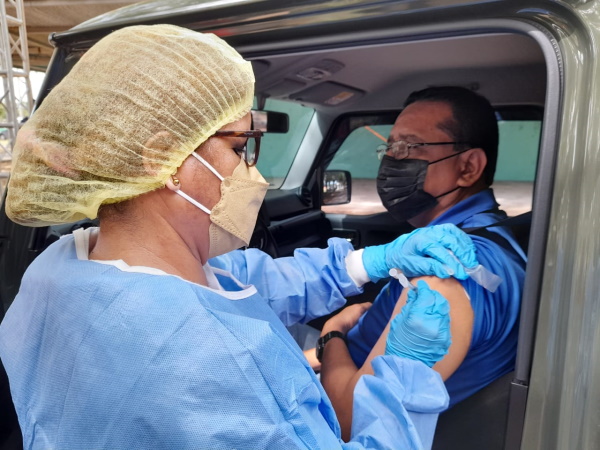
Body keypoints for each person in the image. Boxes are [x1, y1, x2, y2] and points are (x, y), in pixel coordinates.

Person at [0, 26, 479, 449]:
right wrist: (406, 376)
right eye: (239, 146)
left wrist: (364, 262)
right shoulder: (219, 364)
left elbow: (237, 285)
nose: (255, 174)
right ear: (162, 159)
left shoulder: (60, 267)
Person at [320, 86, 527, 438]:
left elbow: (352, 423)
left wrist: (331, 335)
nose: (391, 161)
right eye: (389, 147)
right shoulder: (488, 236)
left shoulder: (446, 272)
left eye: (408, 147)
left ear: (468, 167)